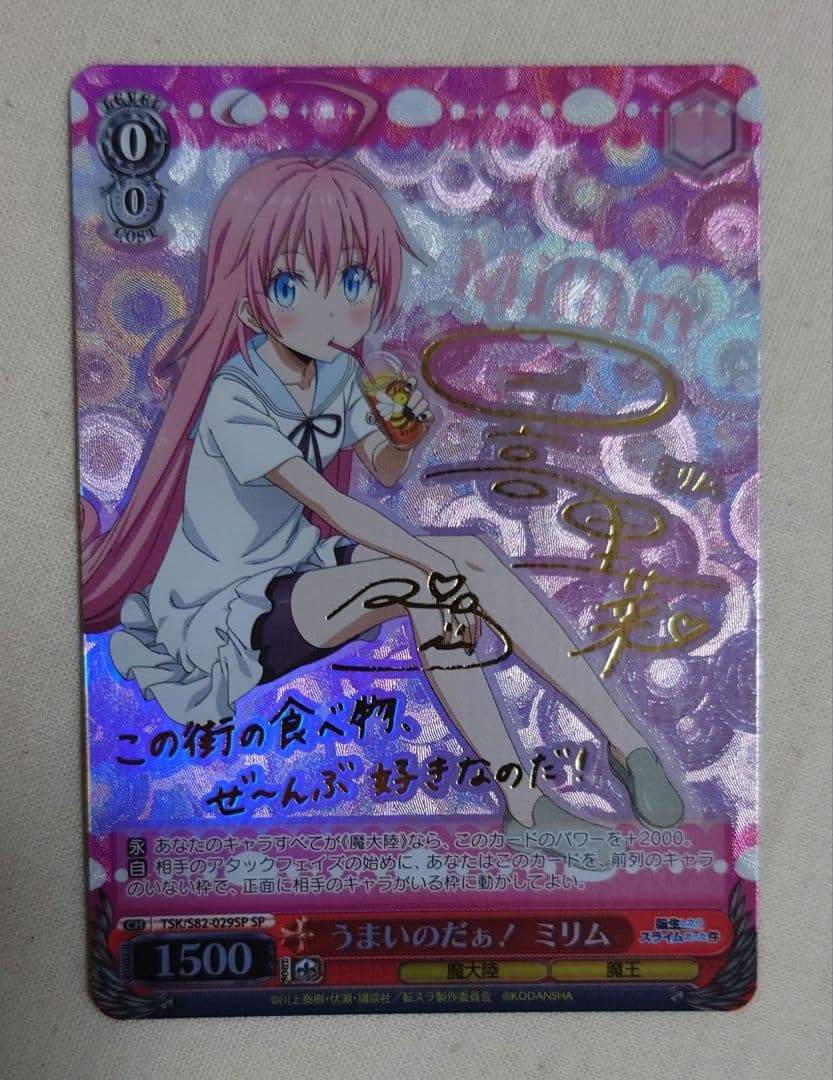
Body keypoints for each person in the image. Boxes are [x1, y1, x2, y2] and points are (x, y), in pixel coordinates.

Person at [81, 155, 683, 839]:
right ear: (249, 303)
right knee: (432, 583)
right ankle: (522, 798)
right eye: (290, 285)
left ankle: (624, 744)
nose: (335, 305)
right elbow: (335, 507)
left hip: (300, 571)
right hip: (230, 613)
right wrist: (437, 569)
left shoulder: (338, 373)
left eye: (353, 278)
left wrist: (402, 420)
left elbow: (386, 470)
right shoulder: (234, 397)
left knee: (471, 559)